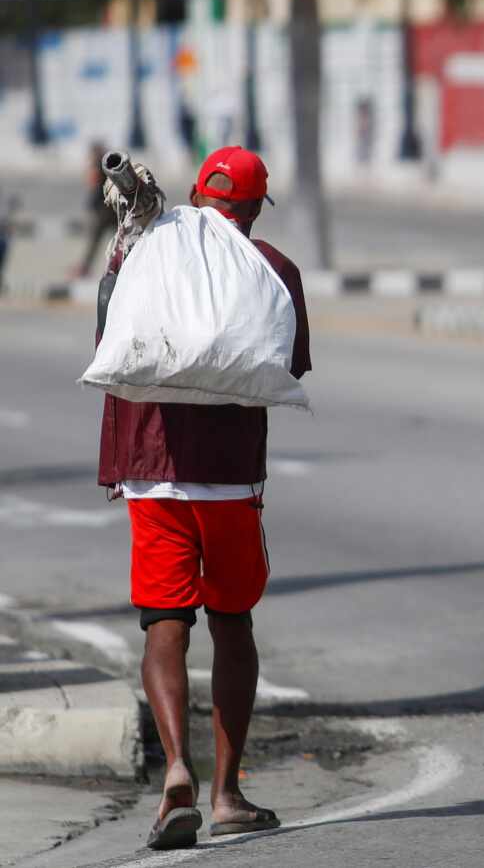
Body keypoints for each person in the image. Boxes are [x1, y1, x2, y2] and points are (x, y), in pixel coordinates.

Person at [96, 146, 310, 850]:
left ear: (197, 193)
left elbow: (112, 340)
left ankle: (177, 773)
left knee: (164, 622)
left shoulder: (144, 254)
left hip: (153, 474)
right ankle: (227, 793)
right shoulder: (275, 271)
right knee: (233, 622)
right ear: (253, 209)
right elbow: (284, 365)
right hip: (229, 481)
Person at [73, 141, 115, 278]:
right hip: (112, 210)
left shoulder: (98, 166)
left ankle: (86, 268)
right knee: (118, 241)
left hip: (105, 211)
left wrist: (91, 204)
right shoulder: (108, 165)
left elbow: (96, 188)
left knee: (96, 241)